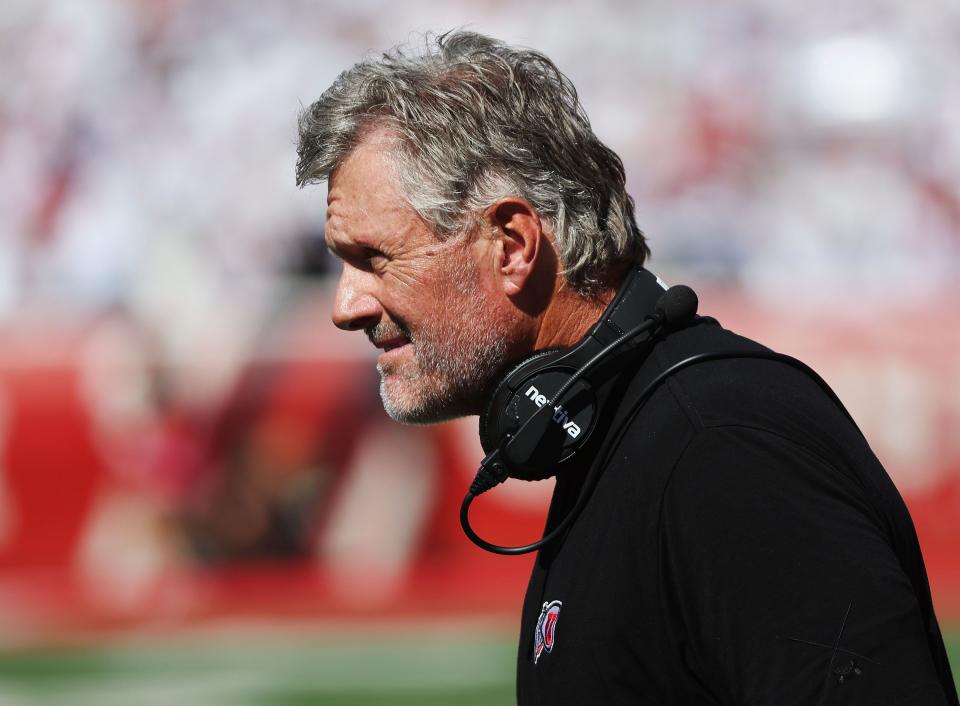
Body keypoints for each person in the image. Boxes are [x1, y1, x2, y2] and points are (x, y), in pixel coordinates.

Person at [296, 31, 958, 705]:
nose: (345, 306)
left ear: (513, 245)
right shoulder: (622, 432)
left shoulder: (723, 445)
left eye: (374, 259)